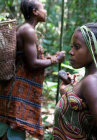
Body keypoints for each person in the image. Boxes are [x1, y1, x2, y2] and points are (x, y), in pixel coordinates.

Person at [0, 0, 65, 140]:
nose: (46, 11)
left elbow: (28, 58)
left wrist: (51, 58)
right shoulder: (28, 30)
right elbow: (33, 63)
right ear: (35, 12)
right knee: (12, 130)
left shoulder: (25, 29)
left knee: (10, 128)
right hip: (17, 89)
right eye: (43, 8)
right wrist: (55, 60)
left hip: (15, 88)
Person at [53, 23, 97, 140]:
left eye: (76, 47)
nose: (71, 52)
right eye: (72, 47)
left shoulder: (91, 82)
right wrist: (66, 94)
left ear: (95, 48)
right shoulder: (94, 79)